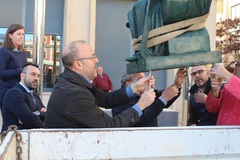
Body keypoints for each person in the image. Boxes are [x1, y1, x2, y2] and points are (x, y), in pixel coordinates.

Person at [44, 40, 156, 128]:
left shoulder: (74, 83)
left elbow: (106, 99)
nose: (97, 60)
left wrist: (134, 88)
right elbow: (110, 126)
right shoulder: (74, 93)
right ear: (78, 64)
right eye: (92, 57)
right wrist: (141, 105)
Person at [112, 68, 186, 127]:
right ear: (128, 83)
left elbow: (165, 98)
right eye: (140, 80)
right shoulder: (118, 99)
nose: (144, 82)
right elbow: (142, 119)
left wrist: (176, 85)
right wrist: (163, 98)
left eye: (145, 79)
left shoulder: (143, 93)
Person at [1, 63, 47, 131]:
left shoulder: (35, 96)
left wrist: (37, 113)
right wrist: (45, 127)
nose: (36, 78)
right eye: (33, 74)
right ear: (22, 76)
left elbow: (47, 115)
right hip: (16, 139)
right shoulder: (14, 94)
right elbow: (30, 120)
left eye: (38, 76)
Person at [0, 23, 28, 109]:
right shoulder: (4, 51)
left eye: (23, 34)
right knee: (10, 121)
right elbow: (1, 73)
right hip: (7, 92)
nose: (21, 37)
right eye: (18, 34)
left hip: (20, 91)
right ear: (10, 35)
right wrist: (19, 70)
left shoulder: (23, 52)